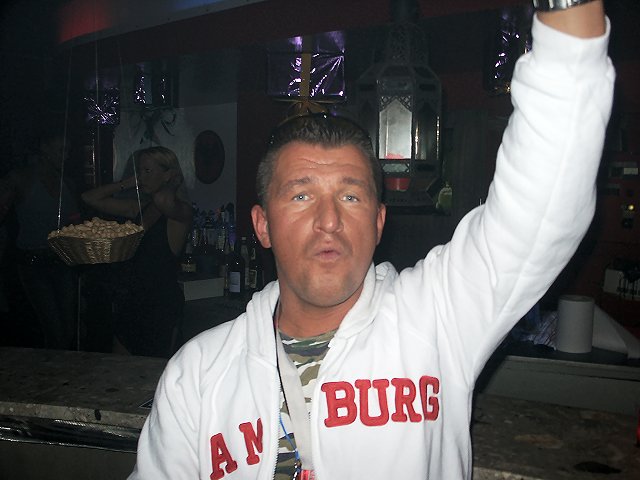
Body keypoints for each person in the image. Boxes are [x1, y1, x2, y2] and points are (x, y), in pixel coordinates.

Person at [129, 1, 614, 478]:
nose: (329, 220)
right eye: (301, 196)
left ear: (379, 222)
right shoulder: (197, 375)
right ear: (262, 226)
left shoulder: (437, 317)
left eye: (351, 197)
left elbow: (544, 202)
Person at [81, 146, 193, 357]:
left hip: (160, 305)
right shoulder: (139, 207)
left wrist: (173, 181)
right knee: (120, 368)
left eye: (147, 171)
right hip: (131, 300)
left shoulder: (181, 211)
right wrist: (127, 183)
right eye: (139, 170)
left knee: (153, 370)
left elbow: (164, 201)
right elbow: (89, 198)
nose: (141, 176)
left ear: (168, 174)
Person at [0, 127, 81, 349]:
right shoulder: (21, 178)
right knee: (54, 330)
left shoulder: (68, 183)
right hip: (34, 263)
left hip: (64, 262)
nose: (66, 156)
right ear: (44, 148)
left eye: (68, 151)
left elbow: (75, 221)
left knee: (69, 330)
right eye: (61, 150)